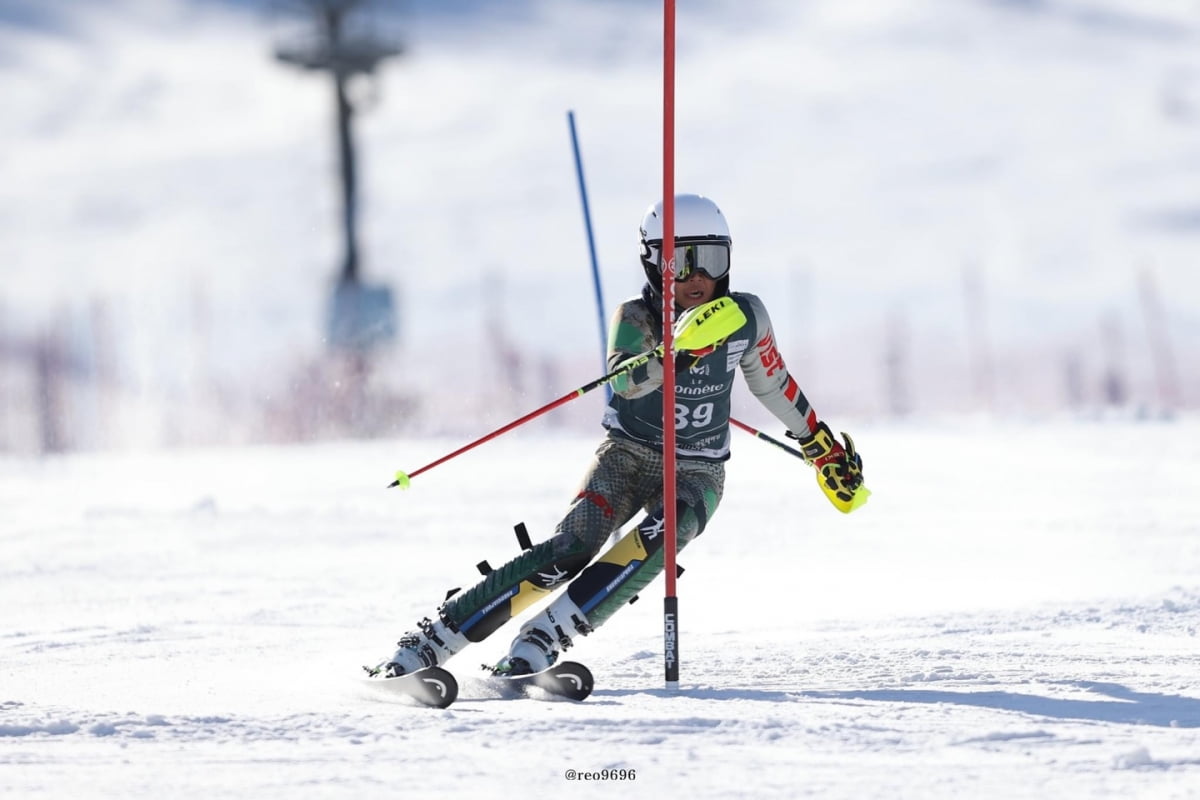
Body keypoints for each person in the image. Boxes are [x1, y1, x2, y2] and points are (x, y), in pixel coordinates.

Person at [370, 193, 865, 678]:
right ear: (653, 264)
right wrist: (674, 354)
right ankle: (435, 637)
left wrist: (817, 444)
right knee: (572, 548)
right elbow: (624, 380)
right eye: (679, 263)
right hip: (626, 457)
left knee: (666, 533)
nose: (697, 277)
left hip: (699, 468)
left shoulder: (745, 317)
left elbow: (774, 381)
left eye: (710, 260)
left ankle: (544, 638)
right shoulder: (635, 317)